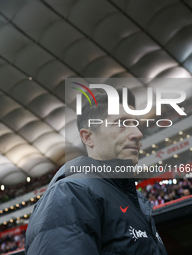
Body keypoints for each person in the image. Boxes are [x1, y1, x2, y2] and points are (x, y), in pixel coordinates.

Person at [25, 87, 167, 254]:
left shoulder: (136, 200)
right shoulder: (71, 193)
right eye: (122, 123)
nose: (138, 133)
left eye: (135, 124)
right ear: (88, 137)